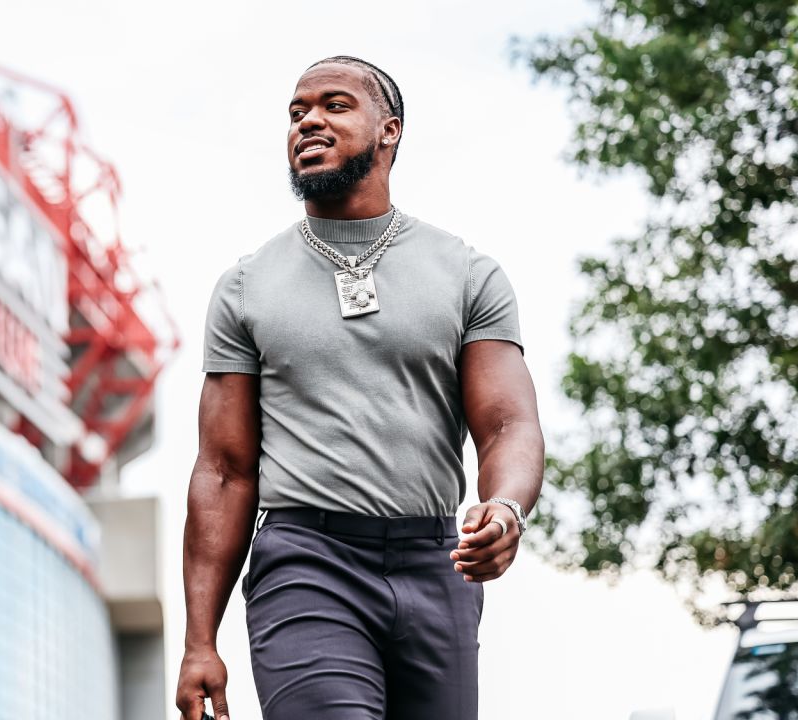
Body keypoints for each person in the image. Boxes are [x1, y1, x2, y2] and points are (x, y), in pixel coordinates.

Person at [175, 56, 545, 720]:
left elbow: (507, 426)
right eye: (296, 112)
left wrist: (506, 507)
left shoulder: (468, 275)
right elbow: (224, 470)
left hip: (438, 562)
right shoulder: (244, 287)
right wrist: (200, 640)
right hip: (306, 562)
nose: (309, 121)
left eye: (335, 105)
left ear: (389, 131)